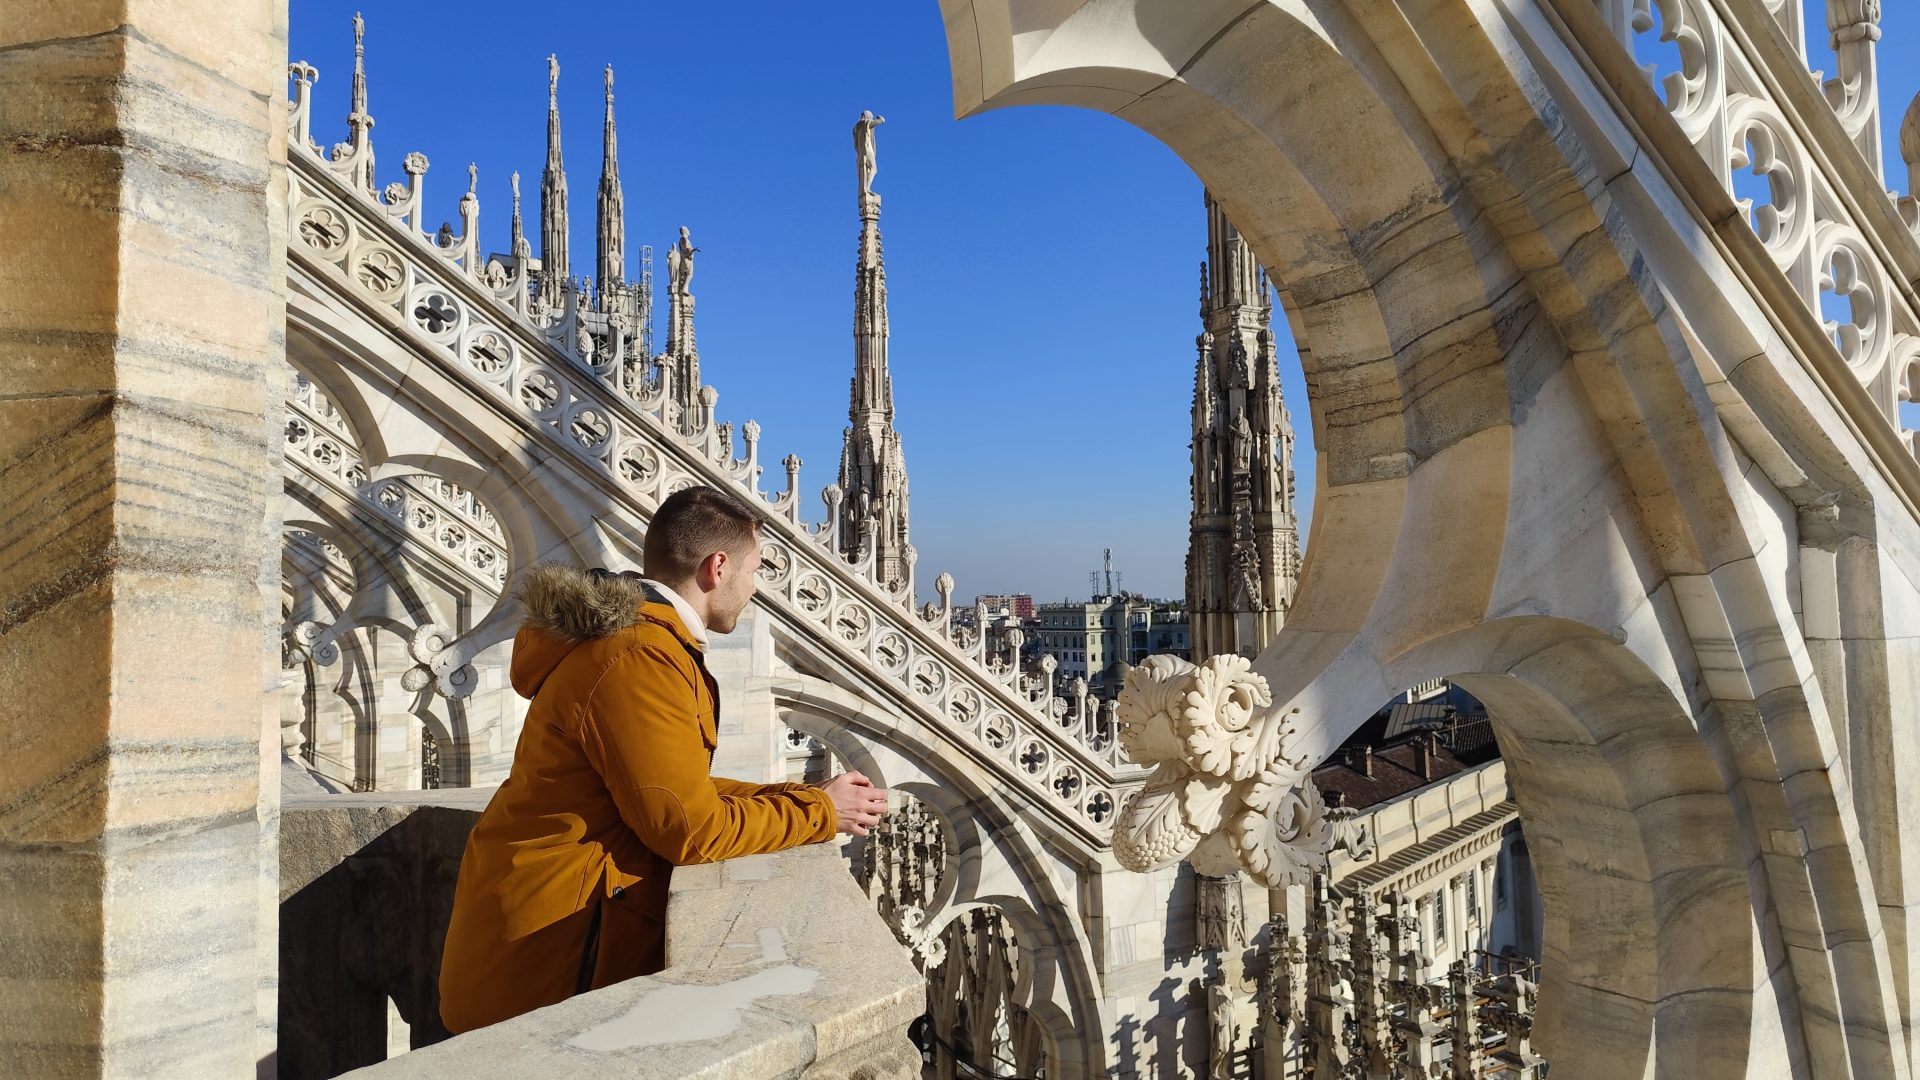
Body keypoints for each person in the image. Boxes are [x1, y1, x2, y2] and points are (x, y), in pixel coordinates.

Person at [439, 485, 888, 1032]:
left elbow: (671, 785)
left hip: (545, 933)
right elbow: (689, 828)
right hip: (550, 958)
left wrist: (803, 796)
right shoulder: (638, 656)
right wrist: (819, 815)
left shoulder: (639, 642)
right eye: (754, 571)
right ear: (716, 568)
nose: (755, 589)